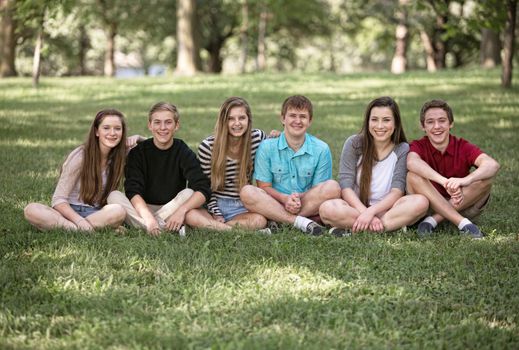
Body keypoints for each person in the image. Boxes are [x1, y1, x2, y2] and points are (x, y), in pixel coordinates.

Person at [319, 96, 428, 236]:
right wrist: (365, 212)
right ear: (368, 122)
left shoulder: (402, 149)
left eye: (386, 120)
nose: (380, 126)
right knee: (327, 209)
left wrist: (372, 212)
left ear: (396, 124)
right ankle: (387, 228)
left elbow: (397, 191)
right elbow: (345, 187)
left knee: (421, 202)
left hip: (389, 210)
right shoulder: (354, 143)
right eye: (374, 119)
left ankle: (354, 230)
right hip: (356, 209)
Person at [107, 102, 213, 236]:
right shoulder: (138, 153)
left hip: (171, 208)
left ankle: (142, 227)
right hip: (142, 209)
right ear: (150, 125)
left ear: (176, 125)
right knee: (114, 196)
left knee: (189, 193)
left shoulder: (182, 151)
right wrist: (149, 218)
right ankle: (160, 227)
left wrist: (182, 211)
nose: (162, 128)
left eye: (168, 122)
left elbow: (203, 188)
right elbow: (133, 191)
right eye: (157, 122)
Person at [240, 95, 341, 235]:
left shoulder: (321, 149)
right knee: (247, 192)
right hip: (274, 203)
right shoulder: (267, 147)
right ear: (283, 118)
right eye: (292, 115)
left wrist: (296, 199)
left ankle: (281, 222)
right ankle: (299, 222)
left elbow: (319, 189)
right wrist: (284, 199)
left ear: (310, 121)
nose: (297, 121)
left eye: (303, 117)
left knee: (332, 186)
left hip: (306, 203)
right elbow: (264, 187)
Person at [24, 109, 135, 231]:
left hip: (98, 213)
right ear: (97, 131)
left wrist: (138, 138)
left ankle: (76, 229)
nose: (112, 133)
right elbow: (58, 199)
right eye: (106, 128)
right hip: (69, 212)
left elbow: (155, 145)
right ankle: (76, 229)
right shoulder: (80, 157)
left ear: (123, 132)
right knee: (31, 210)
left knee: (118, 211)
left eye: (117, 128)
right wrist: (79, 221)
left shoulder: (121, 155)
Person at [407, 99, 500, 239]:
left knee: (485, 178)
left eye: (442, 120)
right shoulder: (418, 145)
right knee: (412, 176)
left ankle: (432, 221)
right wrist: (444, 181)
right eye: (430, 122)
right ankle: (463, 223)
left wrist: (465, 180)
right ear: (423, 126)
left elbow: (492, 165)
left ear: (451, 123)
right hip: (427, 205)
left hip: (460, 203)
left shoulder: (462, 146)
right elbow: (412, 162)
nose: (437, 126)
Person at [192, 97, 269, 231]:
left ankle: (217, 228)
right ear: (223, 121)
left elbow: (275, 151)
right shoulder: (208, 146)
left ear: (248, 120)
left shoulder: (257, 138)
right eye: (231, 119)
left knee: (260, 220)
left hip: (244, 204)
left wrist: (277, 136)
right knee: (191, 214)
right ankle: (223, 227)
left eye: (242, 118)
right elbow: (205, 186)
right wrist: (216, 212)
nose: (237, 123)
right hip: (216, 202)